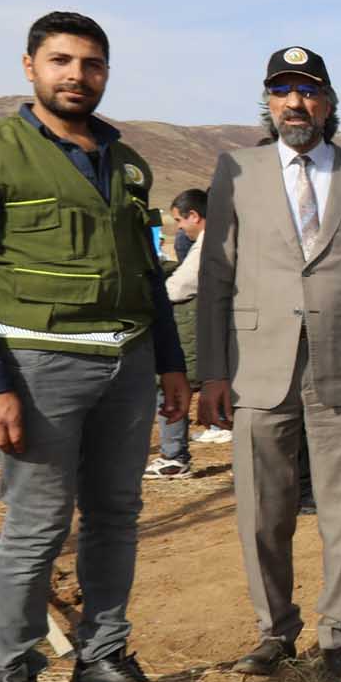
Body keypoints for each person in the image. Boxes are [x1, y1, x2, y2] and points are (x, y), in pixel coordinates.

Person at [0, 11, 188, 682]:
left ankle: (102, 658)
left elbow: (148, 276)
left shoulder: (126, 162)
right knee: (37, 526)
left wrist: (171, 363)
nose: (77, 74)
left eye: (92, 64)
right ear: (30, 67)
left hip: (129, 362)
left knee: (116, 515)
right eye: (61, 60)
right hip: (38, 367)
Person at [195, 46, 341, 682]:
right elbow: (216, 274)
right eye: (282, 91)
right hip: (257, 363)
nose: (295, 103)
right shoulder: (237, 170)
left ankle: (340, 637)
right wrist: (211, 371)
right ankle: (273, 631)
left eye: (308, 92)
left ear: (328, 103)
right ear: (268, 102)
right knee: (264, 507)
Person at [147, 189, 209, 480]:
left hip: (191, 332)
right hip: (198, 331)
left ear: (194, 216)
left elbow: (179, 287)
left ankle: (173, 457)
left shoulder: (208, 243)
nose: (180, 228)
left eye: (179, 220)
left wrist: (154, 296)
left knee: (170, 389)